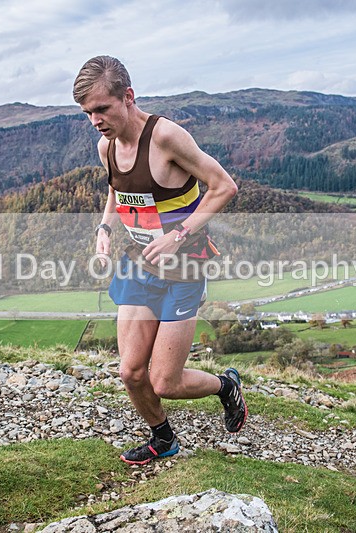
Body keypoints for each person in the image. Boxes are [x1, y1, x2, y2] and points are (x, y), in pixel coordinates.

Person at [73, 55, 247, 465]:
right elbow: (116, 190)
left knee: (164, 381)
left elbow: (224, 186)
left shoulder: (167, 137)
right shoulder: (106, 146)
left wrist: (178, 234)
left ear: (128, 97)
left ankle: (226, 385)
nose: (96, 120)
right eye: (87, 113)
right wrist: (104, 230)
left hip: (184, 270)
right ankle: (163, 438)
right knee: (131, 373)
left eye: (102, 109)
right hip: (138, 265)